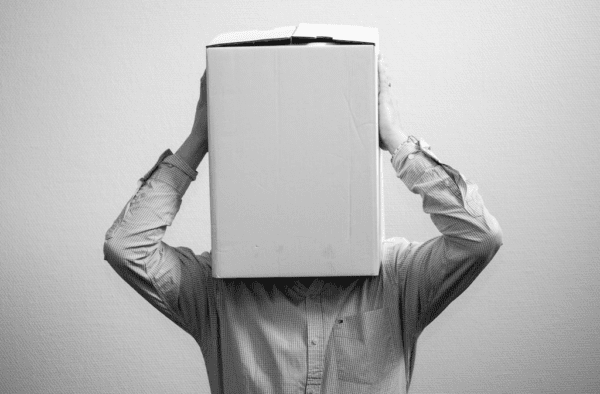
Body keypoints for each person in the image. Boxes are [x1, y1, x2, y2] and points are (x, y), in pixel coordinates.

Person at [103, 55, 503, 394]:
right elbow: (126, 246)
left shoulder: (396, 277)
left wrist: (393, 136)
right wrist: (201, 138)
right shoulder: (216, 289)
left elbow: (479, 238)